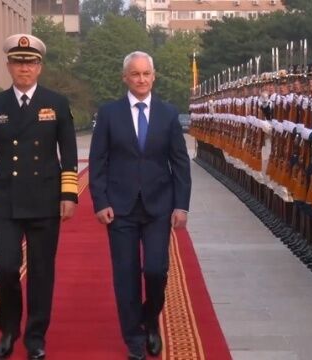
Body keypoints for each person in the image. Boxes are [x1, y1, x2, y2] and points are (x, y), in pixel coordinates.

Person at [0, 34, 78, 360]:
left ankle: (35, 336)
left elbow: (69, 152)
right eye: (18, 62)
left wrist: (69, 194)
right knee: (5, 266)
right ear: (8, 65)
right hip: (6, 198)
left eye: (30, 62)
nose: (24, 68)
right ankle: (8, 328)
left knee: (41, 271)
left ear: (40, 67)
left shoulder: (56, 103)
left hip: (45, 198)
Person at [89, 51, 192, 360]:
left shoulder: (168, 113)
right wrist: (100, 201)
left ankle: (150, 319)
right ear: (125, 78)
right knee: (126, 274)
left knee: (156, 270)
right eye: (135, 74)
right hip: (120, 208)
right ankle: (134, 338)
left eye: (146, 73)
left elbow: (180, 163)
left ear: (154, 76)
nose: (141, 79)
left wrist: (181, 205)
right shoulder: (109, 114)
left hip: (159, 206)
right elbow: (98, 162)